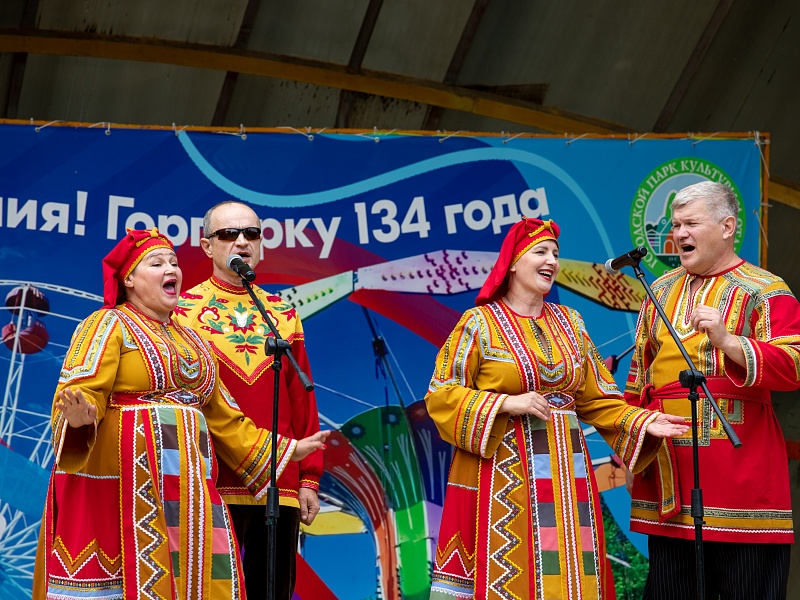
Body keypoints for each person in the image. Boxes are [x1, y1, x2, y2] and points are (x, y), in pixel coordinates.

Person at [32, 228, 328, 599]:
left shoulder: (193, 340)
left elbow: (225, 418)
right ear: (129, 280)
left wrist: (288, 450)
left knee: (192, 580)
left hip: (188, 490)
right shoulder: (108, 324)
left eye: (173, 262)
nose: (171, 269)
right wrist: (79, 419)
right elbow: (80, 393)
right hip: (124, 486)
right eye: (157, 264)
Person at [425, 217, 689, 600]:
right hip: (503, 476)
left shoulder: (570, 323)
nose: (552, 260)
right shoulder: (479, 323)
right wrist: (505, 402)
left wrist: (642, 420)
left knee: (569, 574)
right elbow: (441, 393)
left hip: (567, 475)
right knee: (509, 569)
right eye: (541, 252)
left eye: (556, 254)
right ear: (513, 263)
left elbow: (598, 398)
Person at [624, 180, 800, 599]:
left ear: (727, 227)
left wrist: (729, 342)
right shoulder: (659, 291)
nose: (679, 233)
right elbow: (638, 380)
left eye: (691, 223)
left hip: (744, 479)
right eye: (676, 225)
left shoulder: (765, 289)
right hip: (671, 476)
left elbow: (794, 366)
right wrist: (633, 450)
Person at [175, 201, 322, 600]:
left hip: (278, 479)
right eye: (228, 234)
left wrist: (309, 478)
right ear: (207, 246)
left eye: (251, 234)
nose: (241, 241)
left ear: (261, 244)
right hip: (210, 478)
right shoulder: (181, 312)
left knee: (272, 590)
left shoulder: (282, 314)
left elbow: (301, 399)